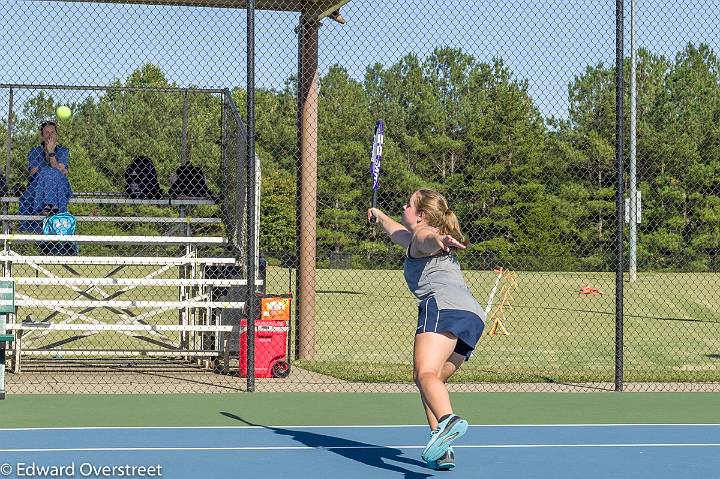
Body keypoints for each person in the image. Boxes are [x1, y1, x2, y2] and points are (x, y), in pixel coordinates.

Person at [368, 188, 485, 471]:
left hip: (441, 307)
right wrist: (379, 215)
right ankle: (442, 447)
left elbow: (427, 238)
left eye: (408, 205)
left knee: (425, 374)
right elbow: (399, 233)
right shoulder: (413, 239)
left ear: (420, 215)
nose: (403, 208)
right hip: (472, 315)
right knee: (431, 381)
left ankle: (448, 422)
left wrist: (439, 238)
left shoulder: (424, 235)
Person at [19, 120, 73, 233]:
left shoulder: (63, 151)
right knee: (49, 172)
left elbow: (60, 173)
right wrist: (54, 168)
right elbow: (34, 172)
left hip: (60, 187)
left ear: (56, 135)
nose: (49, 135)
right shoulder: (35, 151)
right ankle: (51, 206)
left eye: (52, 132)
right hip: (38, 187)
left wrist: (51, 152)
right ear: (42, 136)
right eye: (46, 132)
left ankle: (49, 207)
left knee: (51, 173)